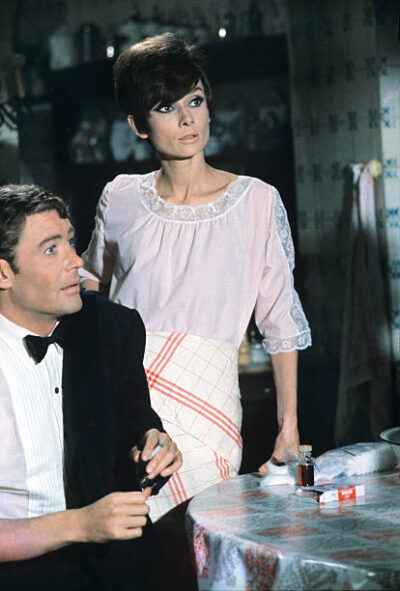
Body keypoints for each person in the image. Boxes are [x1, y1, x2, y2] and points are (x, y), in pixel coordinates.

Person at [80, 32, 312, 522]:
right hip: (127, 401)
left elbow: (280, 321)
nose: (187, 119)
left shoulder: (256, 201)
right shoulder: (120, 197)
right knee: (128, 538)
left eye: (196, 100)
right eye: (166, 107)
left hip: (210, 409)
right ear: (138, 125)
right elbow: (87, 284)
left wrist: (288, 426)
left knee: (199, 537)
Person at [0, 184, 182, 590]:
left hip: (106, 568)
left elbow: (136, 420)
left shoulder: (109, 328)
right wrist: (79, 525)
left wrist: (151, 445)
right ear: (3, 273)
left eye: (70, 242)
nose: (76, 262)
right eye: (51, 249)